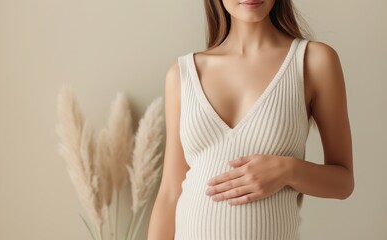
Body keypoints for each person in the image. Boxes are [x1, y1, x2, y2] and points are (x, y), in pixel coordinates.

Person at [148, 0, 354, 239]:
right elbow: (170, 193)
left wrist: (289, 170)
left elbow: (343, 182)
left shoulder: (314, 61)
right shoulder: (182, 75)